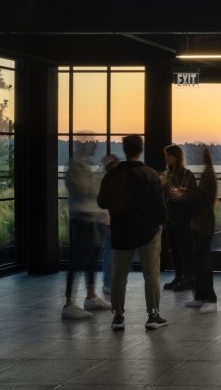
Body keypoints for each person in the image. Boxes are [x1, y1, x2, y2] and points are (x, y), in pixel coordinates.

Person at [97, 135, 168, 330]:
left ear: (124, 149)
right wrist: (159, 225)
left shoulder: (113, 175)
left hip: (121, 231)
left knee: (119, 275)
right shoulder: (151, 174)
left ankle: (118, 316)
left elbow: (102, 202)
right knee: (151, 274)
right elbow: (160, 208)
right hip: (148, 231)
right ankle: (152, 314)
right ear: (141, 149)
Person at [62, 140, 111, 319]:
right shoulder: (77, 166)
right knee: (78, 260)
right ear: (82, 146)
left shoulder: (82, 165)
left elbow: (92, 190)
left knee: (91, 258)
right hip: (81, 219)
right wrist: (101, 175)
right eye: (91, 144)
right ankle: (69, 303)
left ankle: (90, 296)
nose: (95, 147)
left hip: (89, 218)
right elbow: (87, 190)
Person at [161, 144, 198, 292]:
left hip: (184, 218)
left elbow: (195, 195)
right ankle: (179, 276)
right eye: (166, 155)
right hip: (170, 217)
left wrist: (183, 195)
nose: (166, 158)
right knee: (174, 249)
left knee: (185, 249)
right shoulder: (166, 175)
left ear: (176, 157)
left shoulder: (187, 175)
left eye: (168, 155)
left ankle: (189, 278)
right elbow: (162, 195)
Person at [185, 147, 218, 313]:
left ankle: (209, 298)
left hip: (203, 223)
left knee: (203, 261)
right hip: (202, 222)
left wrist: (186, 192)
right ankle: (199, 297)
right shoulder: (207, 173)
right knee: (199, 261)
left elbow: (202, 199)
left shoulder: (207, 175)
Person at [97, 154, 120, 296]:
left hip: (104, 219)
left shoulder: (102, 177)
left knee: (108, 251)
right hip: (107, 220)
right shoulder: (110, 179)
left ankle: (108, 282)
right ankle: (108, 283)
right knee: (110, 252)